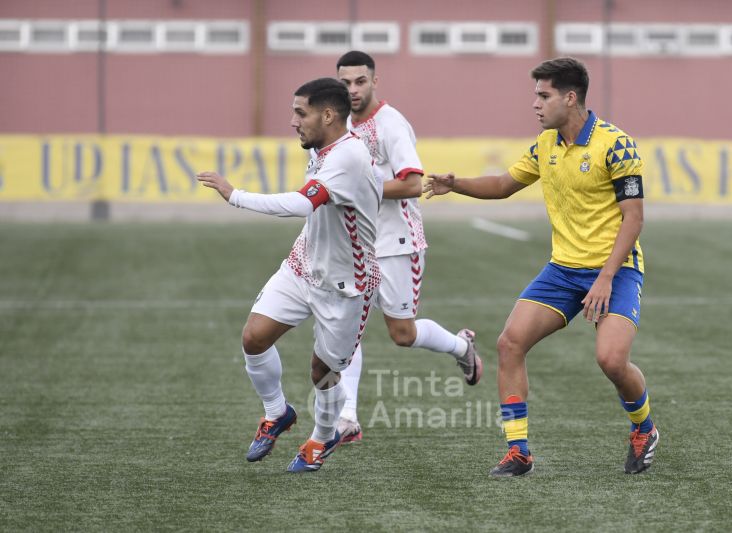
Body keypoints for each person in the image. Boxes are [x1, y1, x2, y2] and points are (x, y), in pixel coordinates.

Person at [424, 57, 658, 477]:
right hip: (563, 271)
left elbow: (634, 218)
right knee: (509, 344)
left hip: (616, 270)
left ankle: (644, 428)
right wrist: (455, 185)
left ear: (570, 98)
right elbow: (503, 185)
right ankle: (519, 452)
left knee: (611, 360)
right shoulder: (545, 145)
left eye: (543, 95)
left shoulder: (616, 145)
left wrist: (605, 278)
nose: (535, 103)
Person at [196, 77, 381, 473]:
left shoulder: (349, 156)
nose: (293, 121)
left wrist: (235, 195)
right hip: (303, 264)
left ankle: (323, 436)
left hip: (346, 284)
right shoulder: (321, 146)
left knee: (322, 371)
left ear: (327, 115)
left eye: (300, 113)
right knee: (254, 338)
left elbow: (301, 204)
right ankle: (277, 412)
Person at [334, 50, 483, 443]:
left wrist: (358, 189)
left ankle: (461, 347)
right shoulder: (340, 124)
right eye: (345, 83)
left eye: (360, 81)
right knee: (345, 327)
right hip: (355, 244)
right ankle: (346, 418)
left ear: (374, 81)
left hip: (398, 243)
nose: (352, 89)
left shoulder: (391, 124)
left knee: (402, 333)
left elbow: (413, 183)